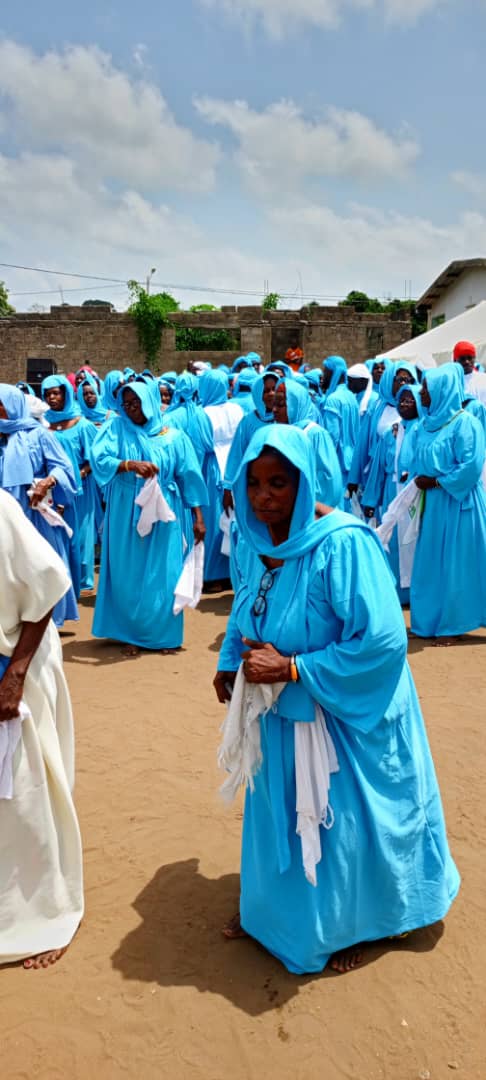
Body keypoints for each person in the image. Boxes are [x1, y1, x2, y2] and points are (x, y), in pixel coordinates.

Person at [213, 425, 459, 975]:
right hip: (284, 710)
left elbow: (384, 640)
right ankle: (270, 914)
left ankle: (357, 924)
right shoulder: (262, 540)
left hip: (346, 714)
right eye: (253, 483)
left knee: (343, 820)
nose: (263, 496)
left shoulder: (342, 543)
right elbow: (246, 606)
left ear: (304, 482)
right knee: (281, 811)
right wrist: (231, 660)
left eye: (278, 483)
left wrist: (295, 667)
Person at [0, 489, 83, 968]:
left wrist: (15, 676)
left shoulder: (2, 510)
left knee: (26, 794)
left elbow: (49, 587)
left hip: (18, 663)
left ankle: (46, 913)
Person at [90, 382, 207, 655]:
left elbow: (189, 477)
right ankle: (130, 634)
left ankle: (163, 635)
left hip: (165, 510)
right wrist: (128, 465)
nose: (132, 409)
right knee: (127, 573)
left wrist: (198, 517)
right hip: (125, 508)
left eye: (137, 403)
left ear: (151, 402)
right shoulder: (116, 428)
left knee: (164, 573)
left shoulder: (174, 437)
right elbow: (99, 458)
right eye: (127, 404)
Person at [410, 363, 486, 644]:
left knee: (458, 566)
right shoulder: (426, 424)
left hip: (459, 503)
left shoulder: (466, 423)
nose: (422, 392)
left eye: (427, 388)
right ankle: (429, 621)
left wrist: (439, 482)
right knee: (430, 563)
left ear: (443, 390)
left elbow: (471, 466)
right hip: (434, 504)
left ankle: (454, 625)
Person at [0, 384, 80, 626]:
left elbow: (63, 467)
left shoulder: (38, 434)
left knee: (40, 565)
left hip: (34, 512)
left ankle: (47, 622)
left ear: (13, 405)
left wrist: (49, 481)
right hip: (4, 515)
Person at [42, 375, 98, 593]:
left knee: (80, 537)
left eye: (56, 393)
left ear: (65, 393)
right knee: (56, 536)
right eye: (48, 394)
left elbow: (94, 458)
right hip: (51, 490)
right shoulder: (44, 423)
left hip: (78, 489)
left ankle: (82, 580)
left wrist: (79, 474)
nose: (52, 398)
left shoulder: (82, 424)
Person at [272, 379, 343, 506]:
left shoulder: (314, 434)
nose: (275, 410)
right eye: (274, 404)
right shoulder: (279, 434)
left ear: (296, 405)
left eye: (281, 405)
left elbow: (329, 482)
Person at [321, 356, 360, 488]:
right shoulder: (352, 396)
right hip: (352, 461)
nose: (323, 376)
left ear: (334, 373)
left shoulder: (333, 399)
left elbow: (331, 438)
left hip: (338, 463)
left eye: (325, 372)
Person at [453, 340, 486, 404]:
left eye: (470, 358)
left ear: (474, 358)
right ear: (455, 361)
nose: (467, 361)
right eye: (462, 358)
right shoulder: (452, 383)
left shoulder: (484, 378)